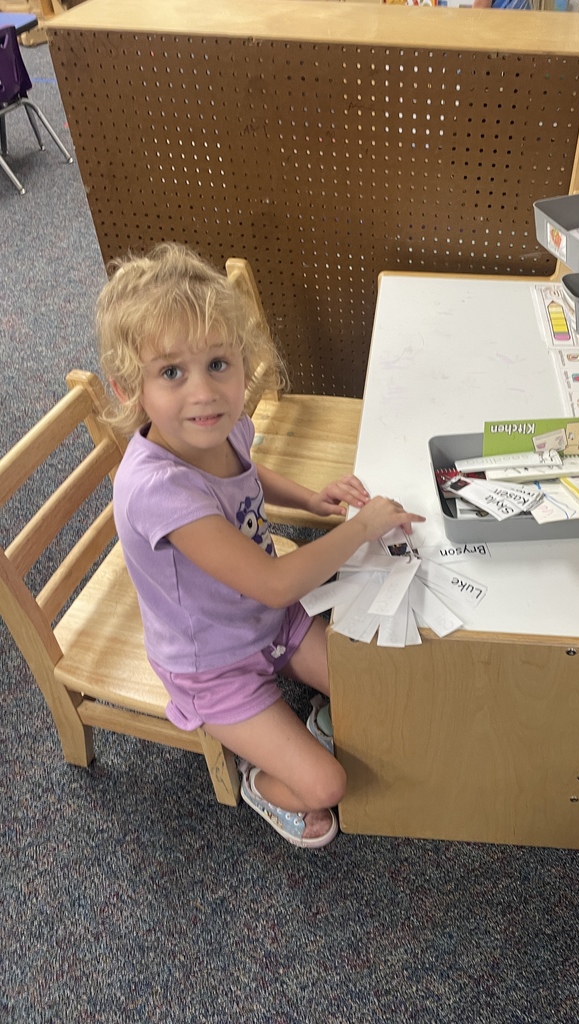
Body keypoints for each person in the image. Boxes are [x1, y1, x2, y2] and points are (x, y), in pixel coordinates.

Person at [96, 242, 424, 849]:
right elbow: (274, 581)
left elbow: (247, 472)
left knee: (382, 692)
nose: (204, 392)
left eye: (219, 363)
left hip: (273, 621)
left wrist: (309, 499)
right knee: (327, 787)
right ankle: (258, 781)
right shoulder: (156, 488)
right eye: (172, 372)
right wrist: (358, 527)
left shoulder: (219, 425)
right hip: (213, 667)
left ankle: (302, 724)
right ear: (127, 389)